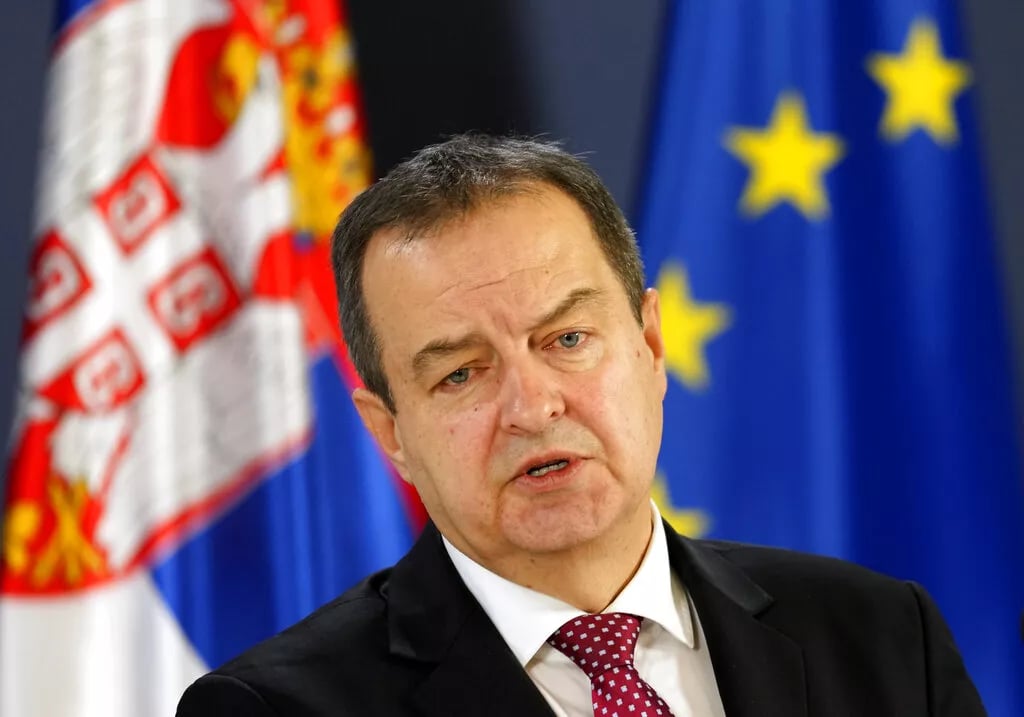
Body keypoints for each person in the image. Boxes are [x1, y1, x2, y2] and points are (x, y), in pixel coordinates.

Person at [177, 134, 985, 716]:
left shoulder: (881, 635)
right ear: (391, 433)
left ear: (651, 346)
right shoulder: (275, 710)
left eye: (566, 339)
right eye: (460, 373)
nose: (533, 407)